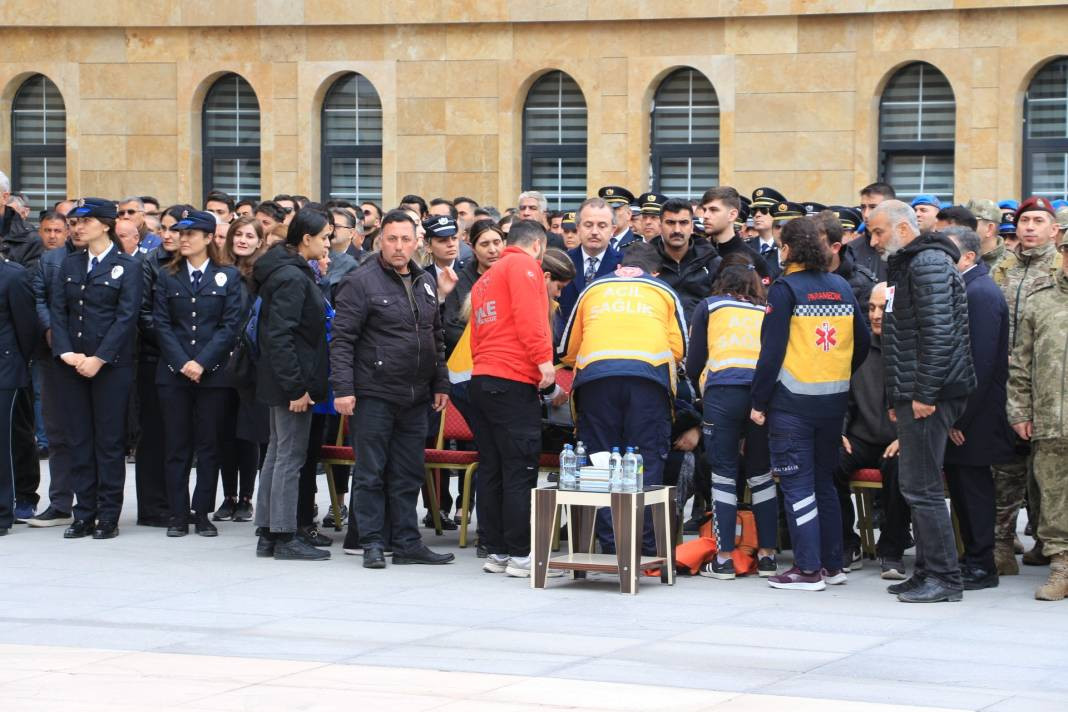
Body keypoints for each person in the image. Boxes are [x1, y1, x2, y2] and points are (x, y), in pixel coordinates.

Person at [751, 216, 870, 591]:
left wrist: (759, 400)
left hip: (793, 402)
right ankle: (832, 566)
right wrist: (837, 369)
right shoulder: (840, 286)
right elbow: (863, 341)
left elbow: (770, 353)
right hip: (832, 401)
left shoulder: (785, 289)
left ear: (788, 249)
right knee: (824, 484)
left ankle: (806, 569)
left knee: (795, 483)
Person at [331, 210, 454, 570]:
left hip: (416, 395)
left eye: (405, 239)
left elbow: (436, 336)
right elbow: (342, 340)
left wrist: (441, 382)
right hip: (374, 393)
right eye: (391, 239)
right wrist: (343, 388)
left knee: (408, 471)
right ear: (378, 240)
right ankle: (371, 541)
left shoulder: (426, 281)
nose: (399, 246)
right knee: (371, 472)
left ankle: (406, 542)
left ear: (418, 243)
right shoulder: (360, 281)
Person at [875, 199, 976, 603]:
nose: (875, 240)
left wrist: (922, 395)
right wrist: (897, 395)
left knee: (924, 487)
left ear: (902, 230)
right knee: (914, 484)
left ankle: (945, 578)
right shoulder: (909, 263)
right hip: (914, 391)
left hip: (929, 393)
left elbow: (938, 335)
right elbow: (904, 338)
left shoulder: (928, 263)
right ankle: (928, 571)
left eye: (879, 232)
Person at [559, 240, 686, 554]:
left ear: (619, 267)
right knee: (645, 461)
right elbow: (681, 348)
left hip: (596, 382)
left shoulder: (594, 288)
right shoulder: (663, 291)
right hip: (648, 383)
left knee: (601, 462)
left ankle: (612, 545)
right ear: (653, 272)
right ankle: (643, 548)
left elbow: (566, 350)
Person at [50, 198, 143, 540]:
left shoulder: (127, 266)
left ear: (105, 225)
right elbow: (58, 312)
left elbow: (126, 317)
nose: (77, 228)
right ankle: (83, 513)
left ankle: (107, 515)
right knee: (78, 440)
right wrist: (66, 353)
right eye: (73, 223)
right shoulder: (71, 265)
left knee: (108, 442)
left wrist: (99, 358)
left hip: (110, 367)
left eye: (84, 222)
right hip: (73, 364)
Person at [467, 219, 554, 577]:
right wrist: (543, 359)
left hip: (483, 377)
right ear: (538, 245)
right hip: (512, 378)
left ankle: (497, 551)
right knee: (519, 469)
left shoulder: (486, 278)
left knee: (492, 469)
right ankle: (521, 555)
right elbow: (529, 315)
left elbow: (476, 333)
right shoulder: (523, 265)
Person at [686, 255, 777, 579]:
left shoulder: (710, 306)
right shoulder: (765, 310)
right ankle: (767, 555)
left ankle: (723, 558)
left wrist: (697, 387)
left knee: (723, 473)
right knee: (762, 474)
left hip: (723, 393)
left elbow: (694, 361)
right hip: (762, 396)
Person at [153, 210, 242, 537]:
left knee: (209, 445)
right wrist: (182, 362)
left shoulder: (228, 276)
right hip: (174, 373)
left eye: (191, 234)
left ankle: (202, 511)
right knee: (176, 445)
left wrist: (202, 362)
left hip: (213, 373)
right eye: (180, 233)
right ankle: (178, 514)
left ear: (208, 238)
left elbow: (230, 325)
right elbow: (161, 324)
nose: (183, 239)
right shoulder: (167, 275)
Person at [251, 208, 332, 561]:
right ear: (306, 239)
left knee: (276, 453)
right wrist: (296, 388)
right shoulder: (293, 278)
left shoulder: (290, 271)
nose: (328, 243)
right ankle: (283, 534)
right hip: (291, 382)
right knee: (289, 456)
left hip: (282, 379)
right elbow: (280, 337)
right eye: (325, 237)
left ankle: (269, 531)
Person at [990, 196, 1063, 572]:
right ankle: (1002, 544)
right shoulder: (1002, 269)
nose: (1029, 227)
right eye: (1024, 221)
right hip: (1007, 382)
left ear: (1055, 229)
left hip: (1051, 383)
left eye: (1038, 221)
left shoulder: (1058, 268)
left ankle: (1047, 543)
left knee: (1048, 473)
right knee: (1007, 466)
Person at [942, 226, 1014, 591]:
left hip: (976, 415)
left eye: (948, 252)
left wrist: (959, 417)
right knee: (962, 487)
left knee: (974, 489)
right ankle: (971, 556)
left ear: (968, 257)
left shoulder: (980, 292)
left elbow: (981, 364)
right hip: (965, 413)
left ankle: (981, 563)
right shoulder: (968, 288)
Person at [1007, 225, 1068, 600]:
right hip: (1050, 419)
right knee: (1053, 497)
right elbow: (1020, 363)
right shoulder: (1040, 299)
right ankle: (1061, 564)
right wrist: (1019, 410)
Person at [834, 283, 910, 578]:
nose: (876, 315)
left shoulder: (910, 349)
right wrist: (839, 432)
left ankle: (892, 551)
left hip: (899, 440)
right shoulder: (857, 347)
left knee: (901, 468)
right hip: (860, 437)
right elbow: (843, 397)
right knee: (829, 459)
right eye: (871, 308)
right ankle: (846, 543)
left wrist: (906, 437)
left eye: (883, 308)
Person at [25, 211, 86, 528]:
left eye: (77, 225)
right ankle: (61, 502)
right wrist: (50, 330)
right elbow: (38, 298)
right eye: (70, 225)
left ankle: (95, 503)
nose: (75, 230)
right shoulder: (49, 262)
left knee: (94, 434)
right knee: (58, 432)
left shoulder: (109, 260)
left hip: (94, 358)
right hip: (53, 357)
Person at [133, 204, 192, 528]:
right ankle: (153, 506)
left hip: (191, 362)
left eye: (178, 230)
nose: (170, 236)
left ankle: (179, 503)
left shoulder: (195, 264)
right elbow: (144, 315)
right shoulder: (148, 263)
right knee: (155, 434)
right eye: (165, 229)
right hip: (156, 359)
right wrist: (177, 348)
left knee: (182, 437)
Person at [214, 216, 267, 523]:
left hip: (250, 364)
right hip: (221, 360)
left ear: (260, 241)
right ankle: (228, 496)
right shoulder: (219, 271)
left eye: (250, 235)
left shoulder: (261, 274)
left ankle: (246, 497)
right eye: (238, 234)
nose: (243, 240)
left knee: (248, 432)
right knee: (224, 432)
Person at [0, 250, 37, 535]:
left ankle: (4, 511)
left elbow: (26, 326)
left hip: (6, 369)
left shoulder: (13, 276)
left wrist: (22, 365)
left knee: (4, 443)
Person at [649, 198, 720, 318]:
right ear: (660, 227)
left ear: (692, 227)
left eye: (683, 223)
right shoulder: (646, 263)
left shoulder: (712, 263)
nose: (677, 230)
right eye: (670, 223)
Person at [556, 198, 621, 328]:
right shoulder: (561, 262)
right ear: (578, 228)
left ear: (613, 230)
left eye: (602, 226)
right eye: (588, 225)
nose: (595, 232)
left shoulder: (624, 265)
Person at [443, 219, 503, 355]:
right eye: (484, 244)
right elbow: (452, 328)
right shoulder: (460, 281)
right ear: (473, 248)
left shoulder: (514, 275)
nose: (492, 250)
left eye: (497, 242)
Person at [698, 187, 769, 280]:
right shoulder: (697, 254)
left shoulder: (753, 259)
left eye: (713, 210)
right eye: (704, 210)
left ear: (732, 215)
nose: (705, 216)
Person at [815, 210, 877, 315]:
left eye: (818, 244)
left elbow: (867, 327)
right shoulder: (798, 279)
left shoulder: (862, 282)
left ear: (835, 247)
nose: (812, 249)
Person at [849, 182, 895, 281]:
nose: (866, 214)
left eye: (873, 207)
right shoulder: (851, 250)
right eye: (863, 207)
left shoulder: (905, 247)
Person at [745, 187, 785, 280]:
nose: (757, 215)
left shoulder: (785, 247)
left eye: (764, 210)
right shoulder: (746, 246)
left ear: (776, 214)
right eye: (754, 211)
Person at [597, 185, 638, 249]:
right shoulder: (595, 243)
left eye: (615, 209)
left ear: (628, 214)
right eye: (606, 209)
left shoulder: (638, 245)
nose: (610, 213)